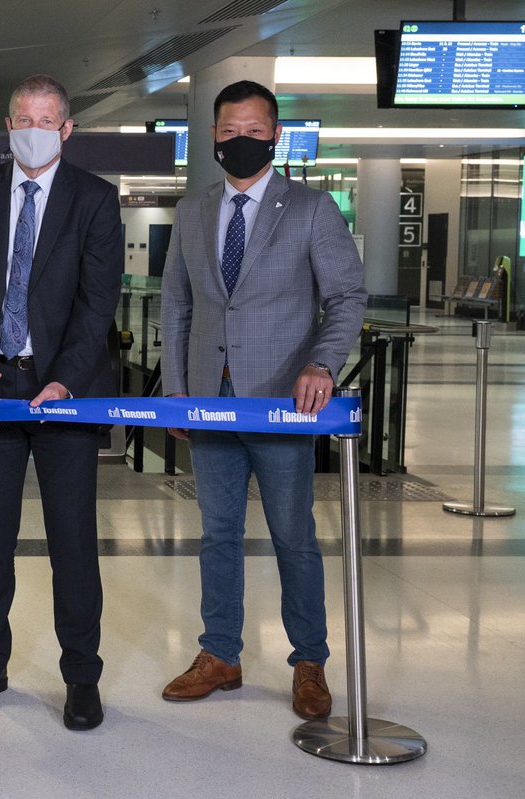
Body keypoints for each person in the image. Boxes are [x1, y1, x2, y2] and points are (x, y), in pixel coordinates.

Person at [159, 80, 367, 719]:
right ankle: (220, 652)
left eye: (254, 130)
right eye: (229, 130)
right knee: (217, 534)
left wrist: (322, 364)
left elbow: (347, 297)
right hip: (210, 401)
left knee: (293, 537)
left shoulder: (311, 209)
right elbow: (178, 303)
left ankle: (310, 661)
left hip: (282, 402)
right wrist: (176, 391)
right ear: (213, 135)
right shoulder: (193, 212)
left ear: (275, 135)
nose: (240, 141)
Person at [0, 74, 123, 731]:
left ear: (67, 129)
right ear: (7, 125)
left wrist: (65, 380)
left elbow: (99, 302)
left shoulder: (96, 200)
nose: (34, 129)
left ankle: (81, 675)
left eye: (47, 119)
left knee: (72, 540)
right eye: (22, 118)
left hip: (65, 392)